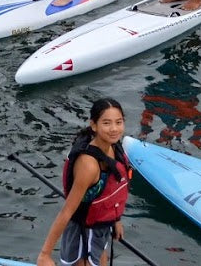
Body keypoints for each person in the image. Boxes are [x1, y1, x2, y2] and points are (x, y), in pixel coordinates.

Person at [35, 98, 132, 266]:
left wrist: (116, 220)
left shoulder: (114, 147)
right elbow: (67, 211)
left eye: (119, 122)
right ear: (94, 125)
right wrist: (45, 255)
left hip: (102, 228)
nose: (114, 129)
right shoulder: (88, 165)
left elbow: (111, 191)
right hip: (83, 233)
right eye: (107, 123)